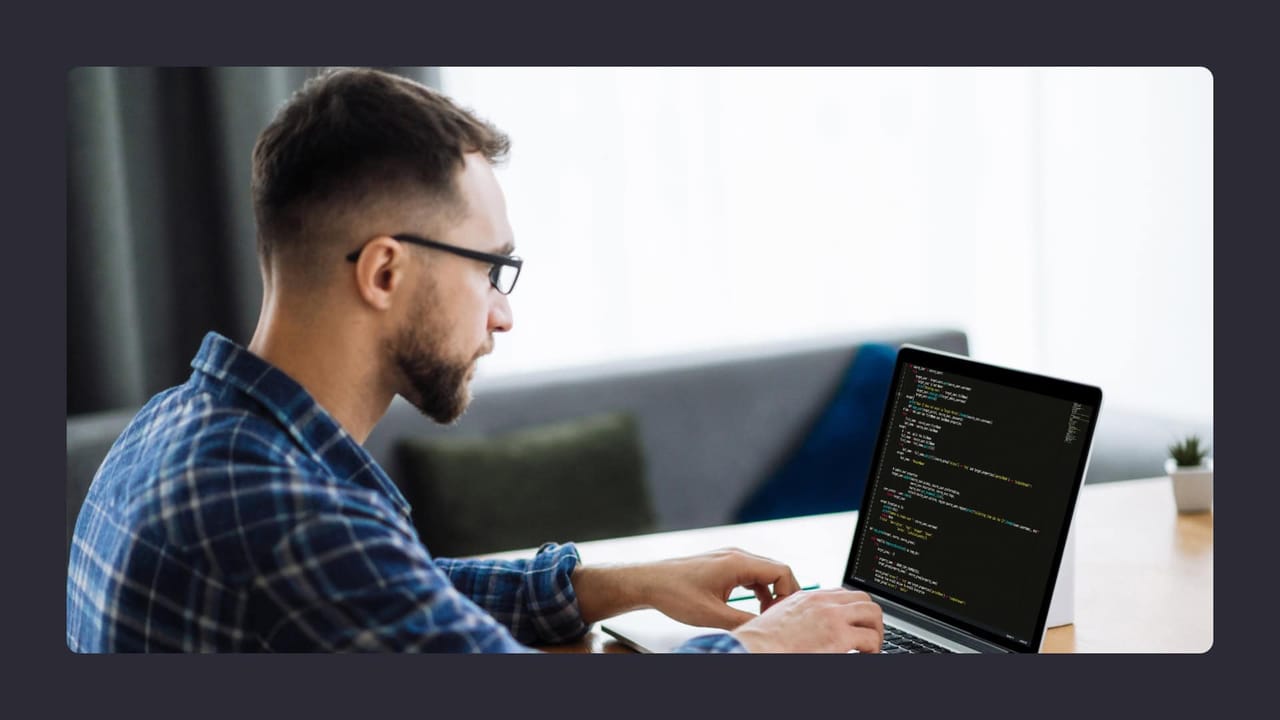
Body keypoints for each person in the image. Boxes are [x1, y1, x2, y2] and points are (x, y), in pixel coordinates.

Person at [65, 67, 884, 653]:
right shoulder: (284, 516)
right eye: (489, 270)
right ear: (385, 270)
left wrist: (623, 583)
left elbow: (395, 587)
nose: (504, 312)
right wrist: (770, 650)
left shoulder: (180, 425)